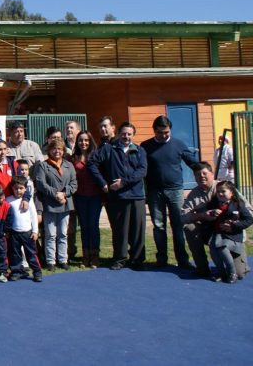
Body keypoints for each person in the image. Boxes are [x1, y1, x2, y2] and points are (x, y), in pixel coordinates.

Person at [140, 115, 199, 269]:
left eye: (166, 132)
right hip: (155, 192)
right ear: (154, 131)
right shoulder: (145, 146)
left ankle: (182, 259)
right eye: (160, 132)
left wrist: (204, 171)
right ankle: (162, 258)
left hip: (176, 191)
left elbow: (192, 162)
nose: (163, 135)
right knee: (159, 226)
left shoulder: (179, 144)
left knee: (178, 225)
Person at [88, 122, 148, 271]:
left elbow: (142, 171)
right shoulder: (109, 149)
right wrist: (103, 183)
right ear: (119, 134)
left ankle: (137, 259)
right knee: (120, 230)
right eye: (124, 133)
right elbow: (92, 164)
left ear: (133, 135)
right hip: (118, 198)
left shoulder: (140, 150)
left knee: (138, 230)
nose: (126, 136)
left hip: (137, 196)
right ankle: (120, 259)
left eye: (129, 134)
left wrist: (123, 182)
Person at [33, 138, 77, 270]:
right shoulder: (43, 165)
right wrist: (55, 193)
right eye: (54, 148)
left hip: (65, 204)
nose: (57, 151)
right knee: (50, 234)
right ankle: (50, 260)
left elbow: (74, 184)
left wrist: (64, 193)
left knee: (63, 233)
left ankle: (63, 259)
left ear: (63, 151)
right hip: (50, 204)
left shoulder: (69, 165)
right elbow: (41, 184)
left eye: (60, 149)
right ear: (49, 150)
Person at [206, 181, 253, 283]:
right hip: (218, 234)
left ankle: (232, 273)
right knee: (213, 249)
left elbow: (249, 219)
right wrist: (212, 213)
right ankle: (221, 273)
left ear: (231, 192)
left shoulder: (238, 204)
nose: (220, 194)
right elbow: (206, 215)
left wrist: (234, 225)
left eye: (223, 191)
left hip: (232, 236)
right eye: (218, 192)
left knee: (222, 247)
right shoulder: (213, 204)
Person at [69, 131, 102, 268]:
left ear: (90, 141)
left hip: (95, 196)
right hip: (80, 197)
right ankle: (85, 256)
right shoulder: (73, 158)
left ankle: (95, 256)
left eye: (86, 140)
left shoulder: (96, 156)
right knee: (83, 226)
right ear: (77, 142)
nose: (83, 143)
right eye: (81, 140)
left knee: (93, 226)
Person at [6, 176, 43, 282]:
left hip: (27, 233)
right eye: (16, 188)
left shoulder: (29, 200)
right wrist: (7, 231)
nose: (18, 190)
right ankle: (17, 272)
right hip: (14, 233)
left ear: (25, 189)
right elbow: (7, 218)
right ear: (12, 188)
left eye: (21, 188)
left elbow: (33, 216)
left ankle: (37, 272)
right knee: (15, 254)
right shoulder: (8, 200)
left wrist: (35, 231)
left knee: (31, 254)